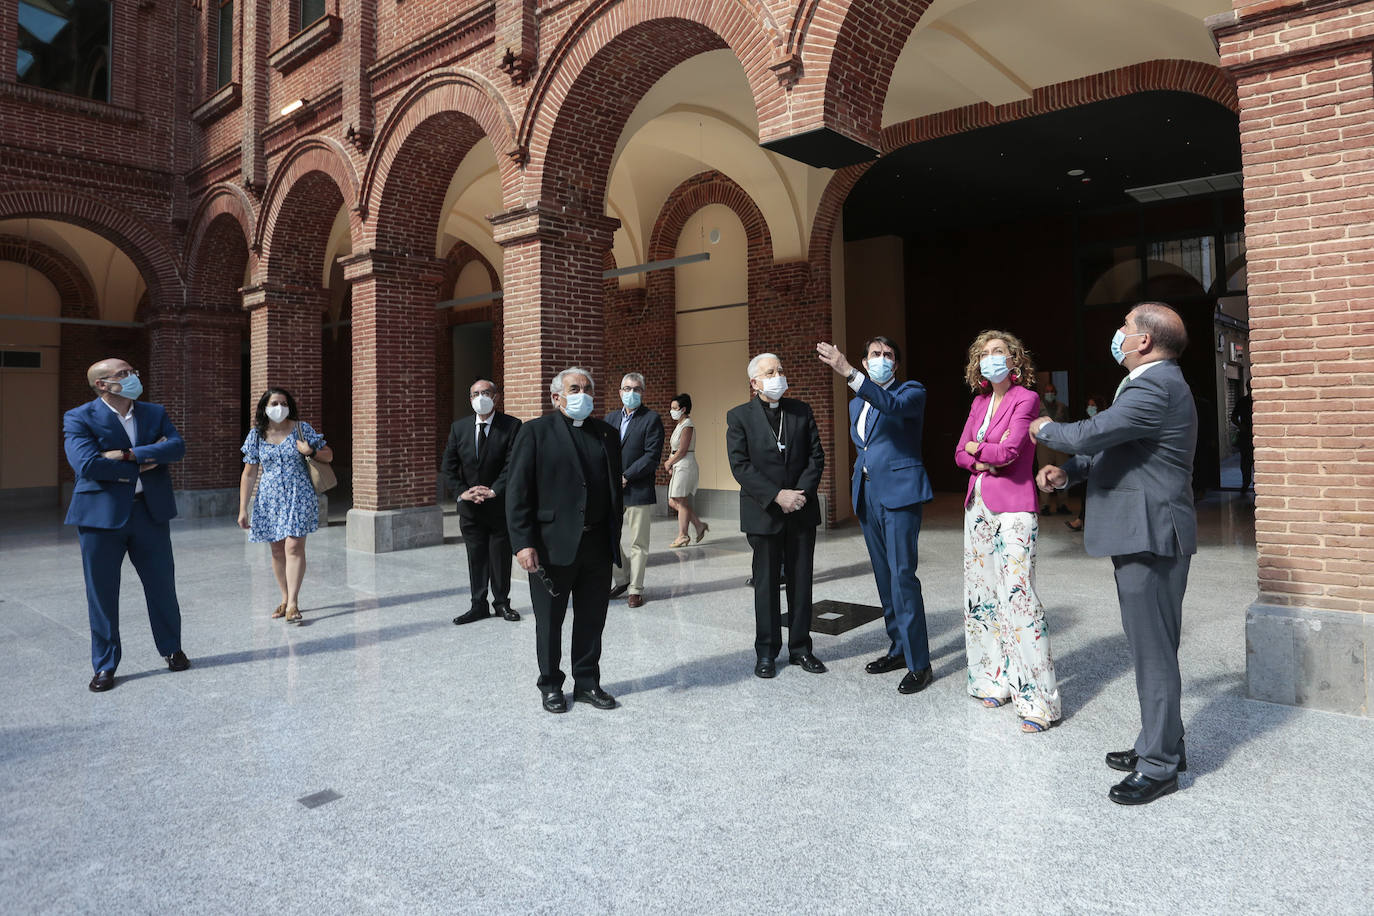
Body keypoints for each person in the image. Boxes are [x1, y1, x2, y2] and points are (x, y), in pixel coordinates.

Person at [1031, 302, 1198, 806]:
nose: (1119, 332)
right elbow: (1117, 449)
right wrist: (1070, 473)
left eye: (1125, 326)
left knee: (1153, 653)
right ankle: (1162, 742)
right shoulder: (1152, 384)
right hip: (1142, 532)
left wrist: (1043, 430)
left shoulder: (1156, 384)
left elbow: (1093, 432)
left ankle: (1160, 766)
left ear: (1144, 341)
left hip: (1151, 535)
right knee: (1152, 648)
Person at [954, 331, 1061, 733]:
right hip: (976, 505)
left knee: (1018, 597)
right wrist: (982, 456)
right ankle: (993, 680)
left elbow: (1012, 450)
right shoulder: (979, 401)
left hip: (1015, 507)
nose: (990, 358)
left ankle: (1037, 701)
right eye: (984, 353)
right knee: (981, 597)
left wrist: (977, 453)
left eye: (998, 352)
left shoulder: (1026, 399)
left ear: (1014, 360)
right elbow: (958, 451)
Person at [63, 358, 190, 692]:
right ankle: (105, 665)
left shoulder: (154, 412)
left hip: (150, 513)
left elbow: (176, 448)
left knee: (162, 586)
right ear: (102, 384)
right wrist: (148, 458)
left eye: (133, 371)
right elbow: (87, 464)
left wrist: (126, 455)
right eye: (124, 374)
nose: (134, 376)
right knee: (102, 593)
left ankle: (172, 649)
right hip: (99, 518)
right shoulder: (79, 417)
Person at [816, 336, 934, 695]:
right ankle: (897, 648)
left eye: (888, 356)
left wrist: (849, 373)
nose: (882, 360)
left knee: (902, 577)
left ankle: (919, 663)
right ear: (866, 361)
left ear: (895, 365)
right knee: (884, 579)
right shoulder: (856, 406)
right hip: (869, 496)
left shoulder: (910, 391)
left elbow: (892, 407)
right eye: (875, 355)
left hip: (900, 497)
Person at [507, 367, 624, 714]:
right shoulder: (534, 433)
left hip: (596, 545)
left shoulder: (606, 433)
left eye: (587, 389)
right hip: (550, 546)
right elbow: (518, 493)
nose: (583, 395)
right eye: (574, 389)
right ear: (556, 396)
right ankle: (551, 685)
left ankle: (587, 682)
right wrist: (523, 543)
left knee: (591, 619)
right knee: (550, 621)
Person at [726, 353, 826, 679]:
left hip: (800, 509)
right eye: (770, 372)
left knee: (801, 582)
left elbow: (816, 456)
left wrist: (800, 495)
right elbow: (741, 466)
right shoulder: (739, 417)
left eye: (780, 370)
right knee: (766, 584)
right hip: (764, 512)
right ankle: (766, 652)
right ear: (754, 382)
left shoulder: (801, 410)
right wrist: (776, 496)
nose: (778, 375)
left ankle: (801, 648)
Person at [236, 388, 333, 625]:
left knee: (293, 547)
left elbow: (328, 455)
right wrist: (243, 508)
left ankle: (293, 603)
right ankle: (284, 597)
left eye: (283, 402)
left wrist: (310, 450)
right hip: (269, 499)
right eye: (274, 403)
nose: (279, 407)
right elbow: (249, 474)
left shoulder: (302, 429)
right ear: (264, 408)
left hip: (299, 495)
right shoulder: (257, 435)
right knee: (277, 550)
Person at [442, 378, 523, 625]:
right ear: (470, 399)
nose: (481, 397)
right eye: (476, 393)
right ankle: (478, 605)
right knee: (475, 556)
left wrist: (494, 490)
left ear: (496, 397)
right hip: (470, 508)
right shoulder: (459, 428)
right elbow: (449, 466)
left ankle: (502, 604)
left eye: (486, 392)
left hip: (498, 506)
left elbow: (513, 463)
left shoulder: (512, 426)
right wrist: (463, 492)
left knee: (499, 558)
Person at [606, 372, 664, 608]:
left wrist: (626, 476)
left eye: (637, 389)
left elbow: (652, 456)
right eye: (627, 388)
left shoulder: (651, 419)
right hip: (612, 490)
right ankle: (622, 578)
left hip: (637, 489)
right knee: (608, 538)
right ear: (620, 392)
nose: (631, 393)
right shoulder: (609, 419)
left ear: (643, 392)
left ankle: (636, 589)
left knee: (638, 542)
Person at [664, 393, 708, 547]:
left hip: (685, 465)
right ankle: (698, 524)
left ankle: (683, 535)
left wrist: (669, 462)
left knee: (681, 500)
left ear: (683, 409)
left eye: (674, 408)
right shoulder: (679, 425)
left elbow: (682, 450)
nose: (672, 411)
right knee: (673, 501)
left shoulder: (687, 425)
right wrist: (671, 463)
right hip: (678, 465)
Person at [1065, 394, 1104, 532]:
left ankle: (1083, 521)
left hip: (1098, 464)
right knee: (1085, 494)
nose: (1090, 408)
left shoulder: (1103, 422)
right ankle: (1080, 520)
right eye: (1089, 405)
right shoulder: (1087, 422)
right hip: (1086, 462)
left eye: (1093, 405)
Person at [1036, 380, 1070, 515]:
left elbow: (1068, 424)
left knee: (1063, 471)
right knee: (1043, 471)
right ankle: (1045, 505)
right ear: (1044, 393)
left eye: (1052, 392)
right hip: (1043, 444)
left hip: (1060, 444)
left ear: (1056, 393)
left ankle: (1062, 504)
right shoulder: (1038, 407)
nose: (1050, 394)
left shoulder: (1063, 407)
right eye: (1047, 392)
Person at [1231, 389, 1254, 492]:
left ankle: (1257, 484)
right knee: (1245, 462)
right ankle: (1246, 483)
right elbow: (1233, 417)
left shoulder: (1260, 400)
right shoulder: (1242, 401)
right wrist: (1241, 426)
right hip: (1246, 436)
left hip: (1259, 436)